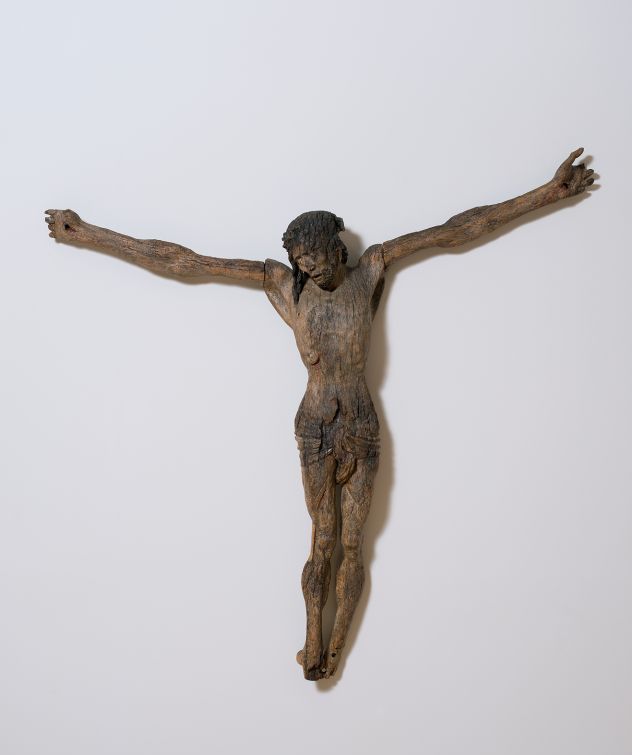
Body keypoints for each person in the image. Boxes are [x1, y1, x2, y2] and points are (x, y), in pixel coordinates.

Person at [45, 148, 595, 680]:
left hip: (361, 425)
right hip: (314, 427)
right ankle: (313, 641)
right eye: (301, 261)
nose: (309, 267)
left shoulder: (371, 268)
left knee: (354, 544)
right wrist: (89, 233)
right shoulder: (287, 287)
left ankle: (335, 646)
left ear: (337, 248)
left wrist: (546, 194)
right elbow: (184, 261)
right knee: (323, 537)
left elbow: (456, 230)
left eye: (315, 257)